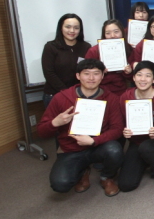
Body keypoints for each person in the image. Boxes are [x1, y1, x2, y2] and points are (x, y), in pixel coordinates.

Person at [37, 59, 124, 196]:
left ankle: (106, 177)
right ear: (78, 76)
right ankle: (83, 171)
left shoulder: (111, 98)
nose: (91, 78)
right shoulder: (61, 98)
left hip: (98, 146)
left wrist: (94, 141)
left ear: (102, 76)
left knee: (114, 149)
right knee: (60, 185)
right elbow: (41, 132)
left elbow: (117, 129)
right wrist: (55, 123)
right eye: (86, 73)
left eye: (96, 74)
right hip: (71, 149)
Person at [118, 61, 154, 192]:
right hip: (136, 142)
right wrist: (124, 131)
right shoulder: (126, 97)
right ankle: (149, 159)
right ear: (134, 77)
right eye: (139, 75)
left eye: (148, 76)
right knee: (126, 185)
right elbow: (120, 123)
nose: (143, 79)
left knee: (148, 147)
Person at [41, 13, 92, 108]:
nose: (72, 31)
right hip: (55, 95)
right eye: (68, 27)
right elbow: (49, 73)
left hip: (80, 95)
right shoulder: (51, 47)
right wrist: (68, 93)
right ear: (61, 28)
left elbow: (88, 70)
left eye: (76, 28)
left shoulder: (86, 47)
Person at [84, 19, 133, 96]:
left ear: (122, 33)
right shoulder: (94, 51)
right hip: (99, 91)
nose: (112, 36)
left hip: (122, 90)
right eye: (108, 33)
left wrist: (129, 72)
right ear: (104, 35)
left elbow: (134, 78)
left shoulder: (128, 48)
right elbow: (85, 75)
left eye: (116, 32)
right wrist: (99, 72)